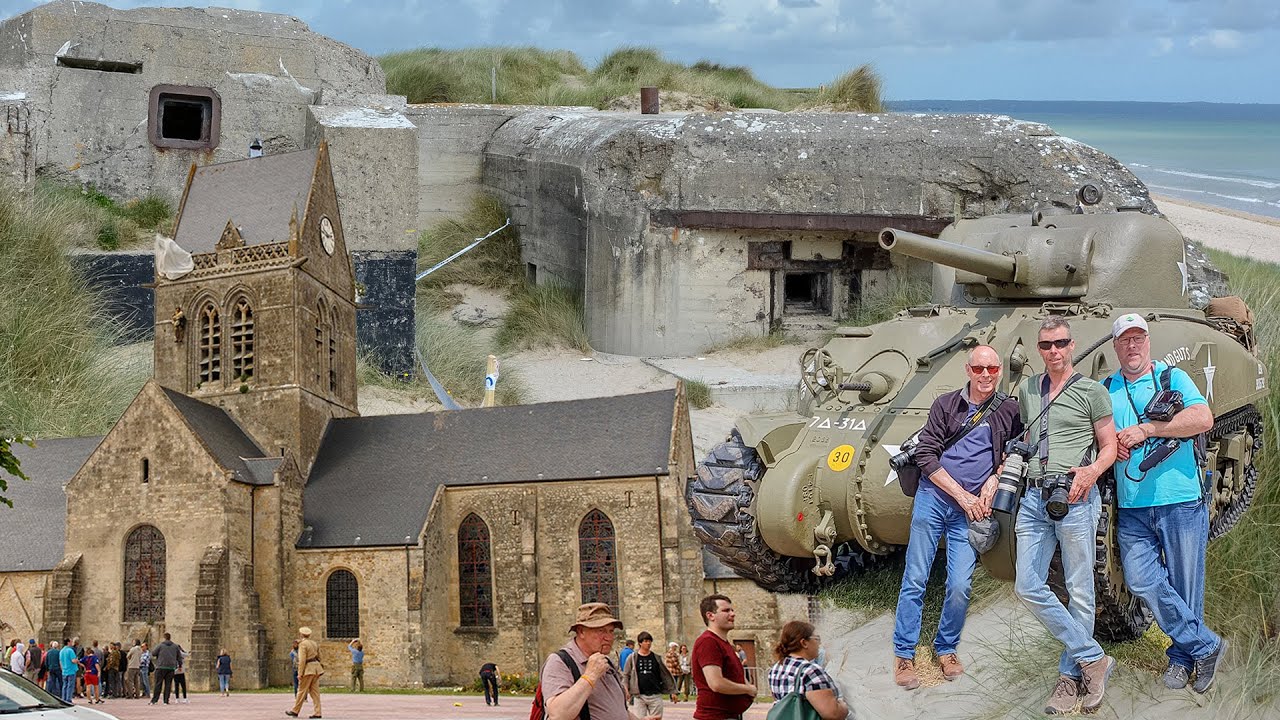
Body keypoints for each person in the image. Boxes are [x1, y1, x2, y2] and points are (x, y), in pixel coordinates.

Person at [1105, 314, 1226, 693]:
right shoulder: (1106, 387)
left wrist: (1149, 429)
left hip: (1179, 497)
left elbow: (1203, 417)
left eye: (1138, 337)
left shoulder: (1172, 378)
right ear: (1116, 346)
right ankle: (1207, 646)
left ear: (1148, 341)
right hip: (1133, 505)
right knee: (1141, 578)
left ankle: (1180, 658)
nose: (1133, 345)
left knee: (1185, 584)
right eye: (1125, 340)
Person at [892, 345, 1022, 689]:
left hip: (972, 509)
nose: (985, 375)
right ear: (968, 370)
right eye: (979, 369)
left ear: (999, 371)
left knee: (961, 585)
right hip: (935, 499)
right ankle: (904, 654)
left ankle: (946, 647)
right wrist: (963, 496)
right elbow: (926, 453)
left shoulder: (1008, 409)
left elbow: (1014, 449)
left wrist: (995, 477)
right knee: (916, 578)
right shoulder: (946, 405)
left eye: (992, 369)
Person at [1013, 317, 1118, 715]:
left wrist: (1091, 472)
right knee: (1027, 585)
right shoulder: (1028, 389)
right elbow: (1026, 434)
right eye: (1045, 345)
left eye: (1060, 343)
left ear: (1072, 346)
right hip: (1034, 499)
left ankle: (1069, 677)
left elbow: (1108, 446)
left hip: (1076, 499)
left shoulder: (1092, 391)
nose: (1053, 351)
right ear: (1039, 350)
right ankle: (1093, 658)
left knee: (1079, 589)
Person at [539, 602, 653, 720]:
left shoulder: (606, 662)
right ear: (581, 631)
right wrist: (590, 676)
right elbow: (558, 715)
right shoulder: (560, 662)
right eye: (601, 630)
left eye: (611, 631)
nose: (609, 637)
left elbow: (617, 710)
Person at [768, 621, 849, 720]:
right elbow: (832, 714)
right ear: (804, 643)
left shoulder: (776, 668)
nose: (819, 644)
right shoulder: (810, 671)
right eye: (816, 639)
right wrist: (843, 705)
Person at [692, 594, 754, 720]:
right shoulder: (708, 642)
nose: (732, 614)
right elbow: (716, 683)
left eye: (732, 610)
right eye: (726, 610)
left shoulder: (723, 643)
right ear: (710, 615)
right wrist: (748, 689)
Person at [622, 631, 675, 718]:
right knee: (639, 718)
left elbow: (665, 675)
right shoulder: (632, 658)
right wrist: (626, 690)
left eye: (650, 641)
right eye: (646, 641)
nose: (648, 643)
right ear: (640, 643)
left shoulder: (656, 657)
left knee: (656, 718)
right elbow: (626, 675)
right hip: (639, 696)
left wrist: (672, 691)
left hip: (655, 695)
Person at [287, 626, 323, 719]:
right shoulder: (314, 643)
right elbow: (320, 657)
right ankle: (317, 712)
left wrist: (300, 673)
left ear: (301, 634)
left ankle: (295, 710)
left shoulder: (303, 644)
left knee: (301, 690)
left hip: (308, 669)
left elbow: (302, 660)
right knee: (315, 692)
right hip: (316, 668)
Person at [150, 632, 182, 705]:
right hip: (171, 668)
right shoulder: (175, 646)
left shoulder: (160, 645)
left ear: (164, 638)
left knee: (158, 684)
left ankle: (154, 700)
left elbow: (153, 653)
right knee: (168, 684)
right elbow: (179, 657)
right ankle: (166, 700)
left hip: (161, 666)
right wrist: (179, 665)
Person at [59, 638, 79, 705]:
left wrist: (62, 669)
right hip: (71, 670)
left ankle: (63, 699)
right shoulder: (70, 650)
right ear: (68, 642)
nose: (71, 643)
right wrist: (77, 660)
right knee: (70, 686)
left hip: (64, 670)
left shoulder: (61, 651)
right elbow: (73, 660)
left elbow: (60, 661)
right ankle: (68, 699)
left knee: (64, 685)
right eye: (70, 642)